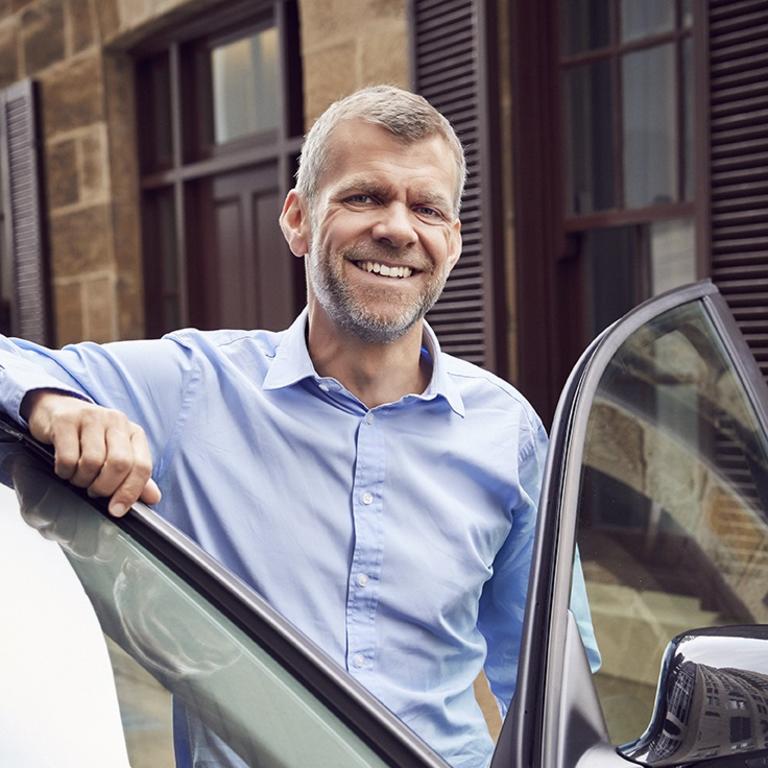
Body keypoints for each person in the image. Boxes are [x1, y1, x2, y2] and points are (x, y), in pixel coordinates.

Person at [0, 85, 598, 767]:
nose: (398, 228)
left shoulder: (510, 432)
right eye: (364, 196)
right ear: (298, 219)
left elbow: (551, 678)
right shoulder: (195, 387)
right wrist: (56, 404)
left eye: (426, 207)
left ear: (453, 241)